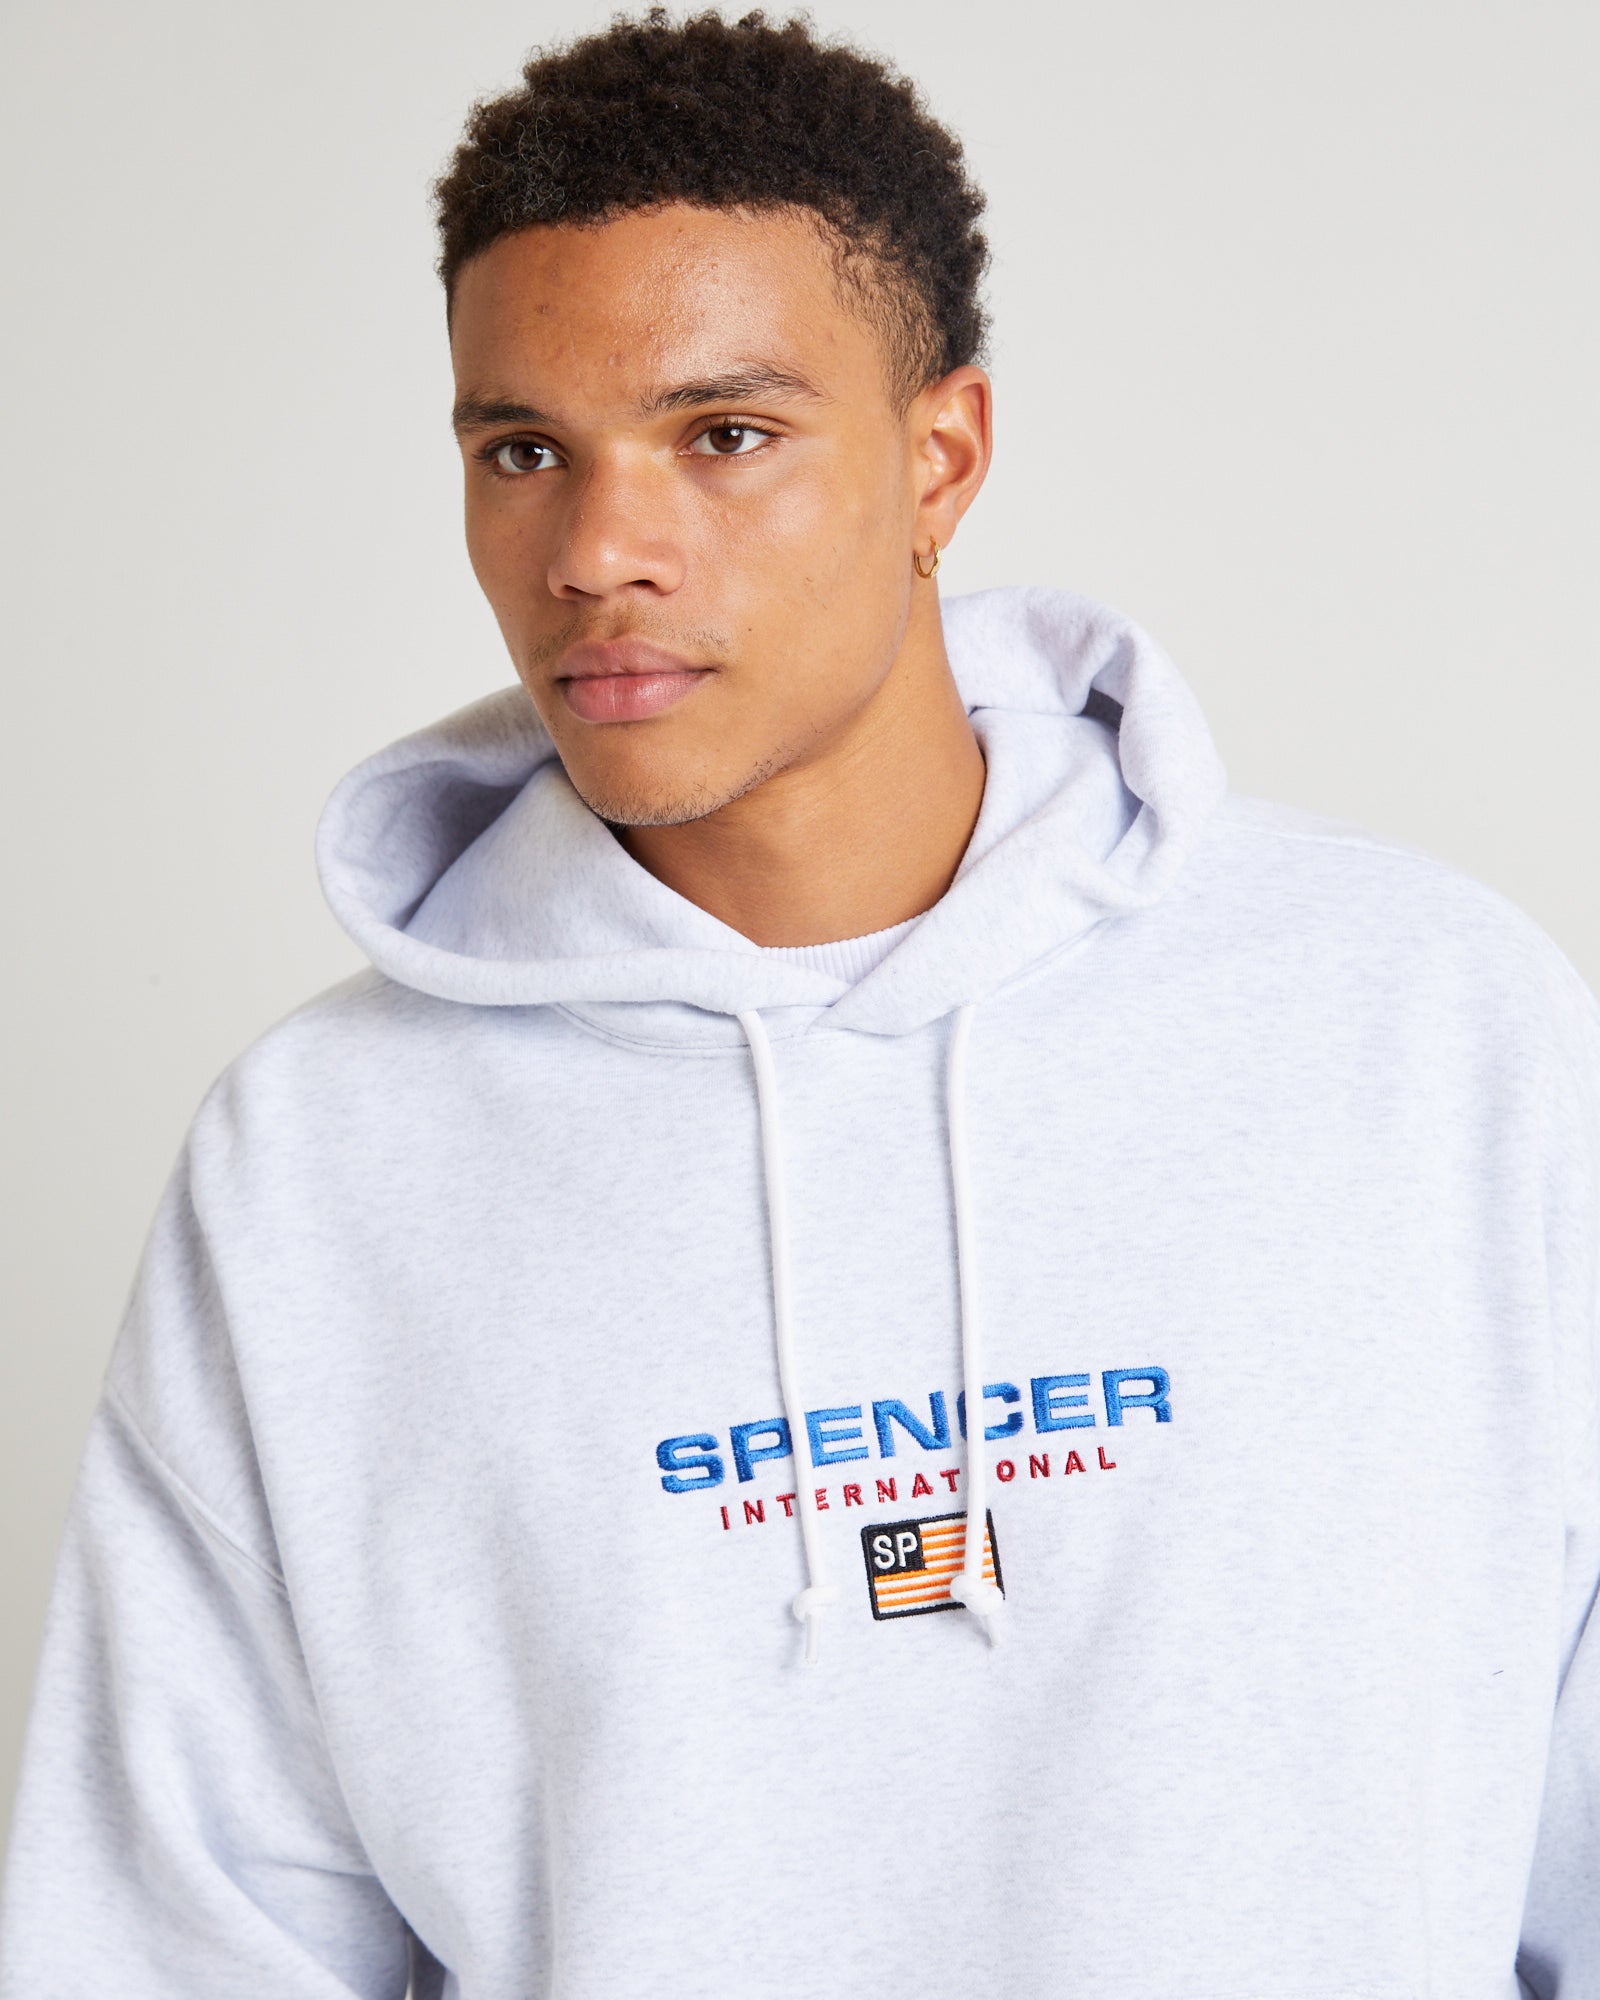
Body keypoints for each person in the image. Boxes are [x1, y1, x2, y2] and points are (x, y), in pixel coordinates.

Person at [2, 7, 1596, 1994]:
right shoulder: (318, 1160)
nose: (598, 553)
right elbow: (177, 1935)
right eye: (522, 453)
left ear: (941, 457)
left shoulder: (1421, 1025)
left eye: (724, 436)